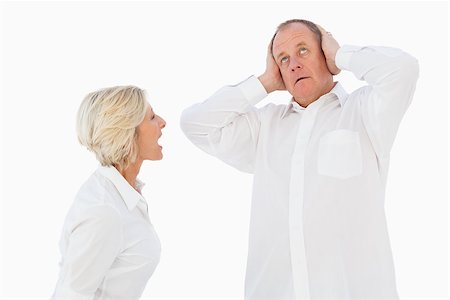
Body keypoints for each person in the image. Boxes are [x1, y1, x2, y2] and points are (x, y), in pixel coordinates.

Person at [180, 19, 419, 300]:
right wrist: (266, 82)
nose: (293, 64)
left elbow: (404, 69)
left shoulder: (365, 112)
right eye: (283, 59)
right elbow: (195, 123)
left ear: (324, 54)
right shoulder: (264, 126)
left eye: (303, 50)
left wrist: (341, 55)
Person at [52, 86, 166, 300]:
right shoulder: (104, 210)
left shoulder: (124, 193)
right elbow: (71, 295)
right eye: (151, 117)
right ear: (127, 132)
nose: (162, 122)